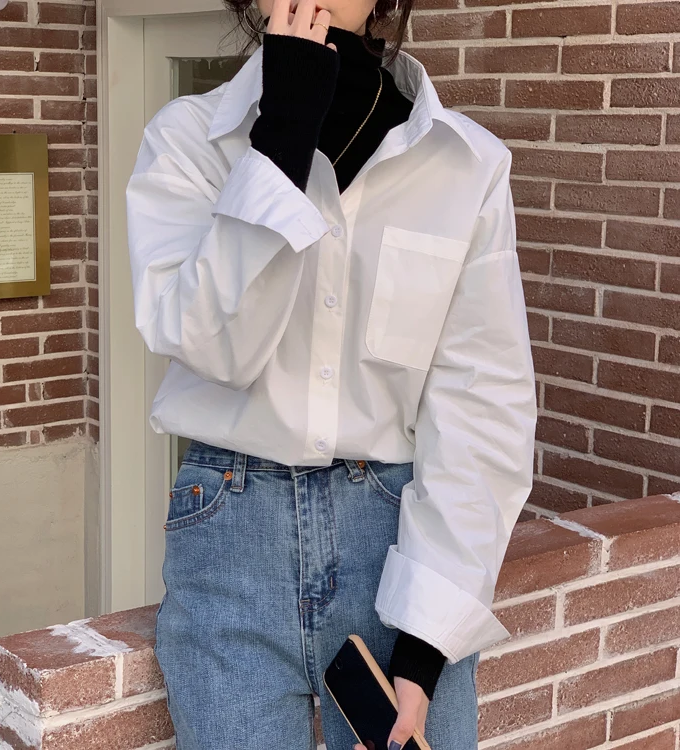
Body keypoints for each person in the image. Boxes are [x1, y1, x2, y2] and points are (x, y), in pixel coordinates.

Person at [125, 0, 537, 745]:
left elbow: (483, 406)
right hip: (230, 528)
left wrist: (426, 641)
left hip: (400, 540)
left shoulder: (465, 163)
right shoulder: (188, 139)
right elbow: (210, 345)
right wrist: (280, 144)